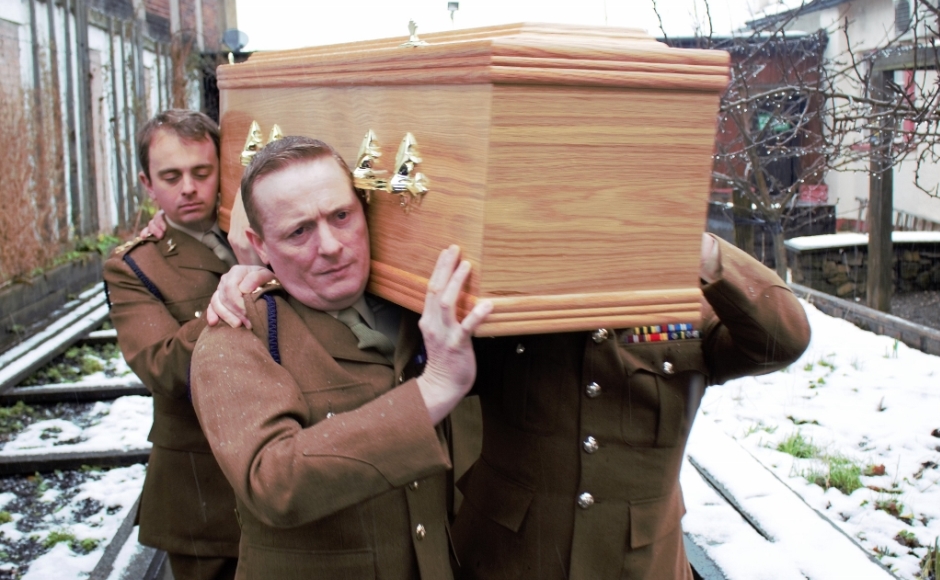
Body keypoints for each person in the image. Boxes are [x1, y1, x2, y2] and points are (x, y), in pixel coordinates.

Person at [188, 136, 492, 580]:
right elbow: (274, 481)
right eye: (299, 231)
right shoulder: (238, 333)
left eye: (341, 216)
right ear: (261, 245)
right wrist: (432, 391)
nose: (330, 245)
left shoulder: (417, 309)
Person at [449, 233, 811, 580]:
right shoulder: (505, 283)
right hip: (503, 559)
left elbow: (784, 340)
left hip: (640, 564)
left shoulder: (686, 300)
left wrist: (698, 247)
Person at [102, 110, 241, 579]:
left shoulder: (255, 227)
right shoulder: (135, 266)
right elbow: (163, 367)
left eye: (202, 172)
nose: (189, 188)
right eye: (171, 176)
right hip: (203, 493)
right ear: (147, 183)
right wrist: (231, 296)